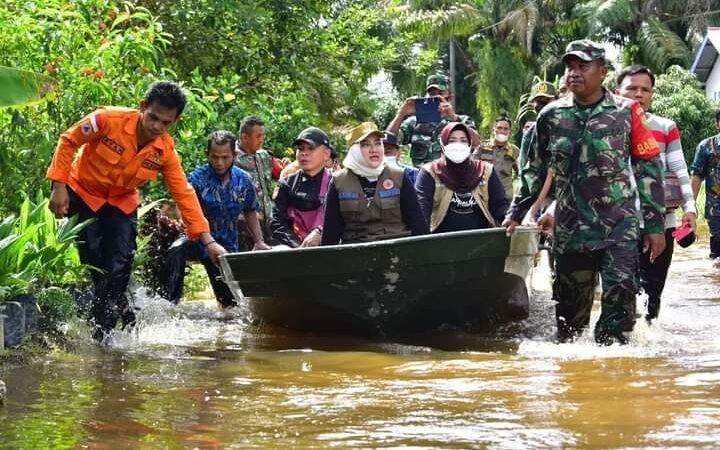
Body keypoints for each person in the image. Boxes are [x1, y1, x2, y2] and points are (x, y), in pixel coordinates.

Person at [504, 40, 665, 345]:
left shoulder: (627, 112)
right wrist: (516, 212)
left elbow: (648, 169)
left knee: (619, 309)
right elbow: (533, 170)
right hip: (571, 229)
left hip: (619, 228)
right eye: (570, 67)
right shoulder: (551, 116)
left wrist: (655, 226)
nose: (574, 73)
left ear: (602, 71)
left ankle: (613, 376)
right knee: (569, 321)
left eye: (583, 66)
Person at [46, 81, 224, 341]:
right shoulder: (107, 120)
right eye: (154, 118)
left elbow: (183, 192)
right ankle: (121, 312)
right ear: (143, 107)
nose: (157, 127)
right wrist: (58, 186)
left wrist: (207, 240)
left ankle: (103, 336)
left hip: (121, 202)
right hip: (83, 193)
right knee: (94, 260)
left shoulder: (165, 151)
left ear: (175, 121)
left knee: (119, 263)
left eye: (166, 123)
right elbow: (69, 140)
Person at [616, 65, 697, 322]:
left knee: (653, 289)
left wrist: (690, 209)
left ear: (652, 94)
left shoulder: (665, 127)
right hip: (616, 223)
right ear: (617, 90)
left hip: (661, 222)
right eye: (632, 88)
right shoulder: (604, 125)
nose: (638, 94)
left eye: (645, 89)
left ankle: (649, 342)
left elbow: (679, 169)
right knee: (621, 289)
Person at [160, 131, 269, 308]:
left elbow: (250, 210)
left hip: (225, 245)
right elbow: (184, 203)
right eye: (214, 157)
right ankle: (167, 305)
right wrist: (182, 220)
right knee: (176, 250)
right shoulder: (197, 178)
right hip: (196, 238)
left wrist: (258, 241)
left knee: (230, 307)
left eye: (225, 157)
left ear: (234, 155)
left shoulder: (243, 180)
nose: (219, 162)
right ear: (207, 155)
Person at [321, 122, 429, 245]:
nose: (374, 150)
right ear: (354, 150)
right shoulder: (338, 182)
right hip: (355, 255)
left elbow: (419, 227)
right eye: (366, 145)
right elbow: (330, 235)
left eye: (378, 143)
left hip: (398, 253)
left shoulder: (399, 176)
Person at [416, 122, 508, 233]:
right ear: (443, 143)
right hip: (440, 242)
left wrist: (511, 220)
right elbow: (421, 211)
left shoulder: (485, 171)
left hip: (481, 241)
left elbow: (500, 206)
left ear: (470, 144)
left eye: (463, 141)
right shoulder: (430, 172)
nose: (458, 145)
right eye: (452, 141)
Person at [386, 74, 479, 167]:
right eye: (432, 93)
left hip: (450, 179)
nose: (435, 97)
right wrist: (401, 113)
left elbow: (476, 142)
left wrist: (454, 118)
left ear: (450, 98)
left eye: (440, 93)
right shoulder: (414, 122)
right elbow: (388, 141)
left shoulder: (461, 121)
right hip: (420, 178)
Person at [270, 127, 334, 248]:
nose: (304, 153)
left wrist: (321, 231)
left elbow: (345, 218)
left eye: (311, 148)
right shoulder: (287, 184)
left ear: (326, 154)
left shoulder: (336, 183)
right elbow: (277, 222)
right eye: (300, 149)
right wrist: (297, 247)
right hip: (296, 249)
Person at [236, 116, 274, 247]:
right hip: (243, 226)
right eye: (258, 136)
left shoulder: (264, 156)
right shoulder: (230, 159)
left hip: (267, 224)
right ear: (245, 137)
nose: (262, 140)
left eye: (263, 135)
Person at [691, 110, 720, 263]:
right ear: (717, 124)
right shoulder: (706, 146)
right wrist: (691, 204)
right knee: (717, 253)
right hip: (716, 209)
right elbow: (697, 175)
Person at [472, 115, 519, 199]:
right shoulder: (482, 147)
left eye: (505, 129)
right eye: (499, 128)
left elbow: (521, 173)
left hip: (505, 197)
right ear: (494, 129)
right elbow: (471, 168)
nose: (502, 131)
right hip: (484, 196)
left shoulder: (514, 151)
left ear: (509, 131)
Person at [519, 80, 559, 170]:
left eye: (545, 102)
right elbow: (524, 166)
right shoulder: (530, 132)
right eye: (537, 102)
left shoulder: (568, 126)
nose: (540, 106)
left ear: (557, 100)